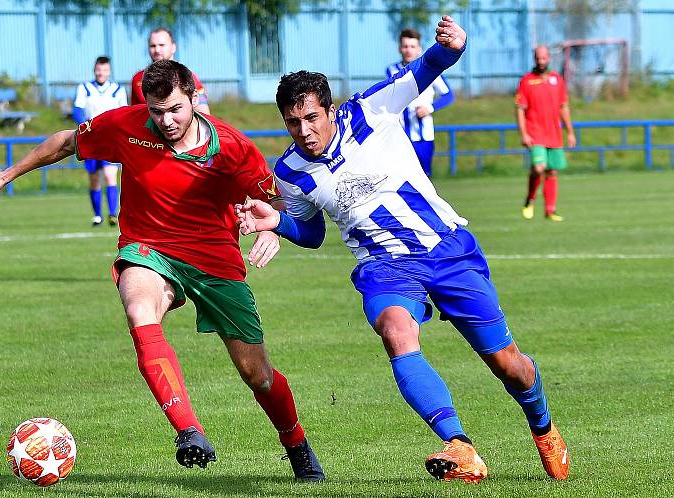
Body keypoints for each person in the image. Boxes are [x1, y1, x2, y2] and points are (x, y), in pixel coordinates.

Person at [236, 16, 569, 484]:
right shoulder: (290, 172)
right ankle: (461, 446)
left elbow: (428, 68)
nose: (304, 130)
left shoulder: (372, 109)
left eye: (311, 117)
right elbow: (311, 234)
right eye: (293, 122)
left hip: (445, 248)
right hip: (383, 266)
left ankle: (543, 426)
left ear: (329, 110)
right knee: (395, 331)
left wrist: (452, 48)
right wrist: (278, 223)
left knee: (507, 364)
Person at [0, 59, 325, 482]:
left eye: (174, 109)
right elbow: (65, 142)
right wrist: (4, 176)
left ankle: (296, 443)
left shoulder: (232, 148)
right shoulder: (127, 126)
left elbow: (274, 202)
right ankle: (189, 431)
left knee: (256, 375)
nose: (166, 120)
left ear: (193, 97)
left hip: (214, 258)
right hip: (148, 247)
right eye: (156, 111)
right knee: (139, 309)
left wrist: (273, 231)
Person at [515, 45, 576, 222]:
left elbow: (563, 107)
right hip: (535, 133)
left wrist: (570, 132)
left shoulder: (557, 80)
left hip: (554, 134)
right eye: (538, 58)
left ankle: (550, 210)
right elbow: (519, 109)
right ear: (534, 58)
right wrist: (523, 133)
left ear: (549, 58)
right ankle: (530, 199)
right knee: (539, 167)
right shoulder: (527, 81)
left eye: (544, 58)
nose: (541, 61)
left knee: (551, 171)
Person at [385, 28, 454, 178]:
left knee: (424, 179)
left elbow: (448, 95)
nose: (408, 50)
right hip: (400, 137)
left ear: (419, 49)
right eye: (405, 46)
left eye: (412, 46)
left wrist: (430, 108)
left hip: (424, 137)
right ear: (399, 48)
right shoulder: (392, 70)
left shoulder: (431, 71)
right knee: (402, 180)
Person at [72, 56, 126, 226]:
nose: (101, 73)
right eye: (98, 69)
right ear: (94, 70)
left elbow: (124, 113)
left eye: (104, 70)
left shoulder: (118, 90)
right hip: (91, 137)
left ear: (109, 71)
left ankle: (112, 214)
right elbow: (77, 110)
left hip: (110, 138)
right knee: (94, 179)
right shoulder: (85, 88)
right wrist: (86, 127)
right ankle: (97, 215)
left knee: (111, 175)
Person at [130, 27, 210, 114]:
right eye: (152, 46)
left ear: (173, 47)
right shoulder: (138, 79)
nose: (157, 50)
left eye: (161, 45)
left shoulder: (186, 76)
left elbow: (204, 113)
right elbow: (134, 114)